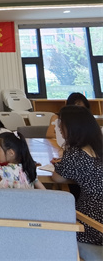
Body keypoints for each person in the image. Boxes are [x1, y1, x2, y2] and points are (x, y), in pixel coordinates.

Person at [51, 106, 103, 247]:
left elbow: (57, 178)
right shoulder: (98, 147)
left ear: (73, 127)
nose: (59, 127)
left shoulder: (76, 154)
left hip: (93, 225)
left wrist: (60, 165)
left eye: (62, 123)